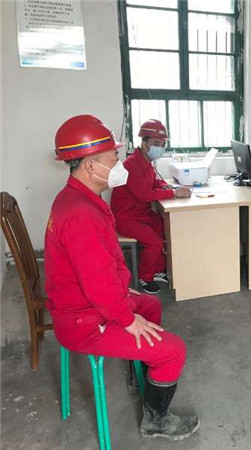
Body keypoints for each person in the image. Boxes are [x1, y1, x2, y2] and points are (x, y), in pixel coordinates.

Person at [45, 115, 199, 439]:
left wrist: (124, 292)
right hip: (83, 321)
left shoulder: (81, 198)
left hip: (87, 305)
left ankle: (139, 364)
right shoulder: (81, 214)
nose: (119, 165)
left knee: (151, 306)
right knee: (174, 350)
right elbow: (98, 283)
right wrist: (126, 318)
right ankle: (156, 421)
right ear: (91, 166)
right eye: (113, 158)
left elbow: (103, 266)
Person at [111, 119, 191, 294]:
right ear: (144, 143)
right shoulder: (132, 165)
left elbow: (152, 183)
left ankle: (157, 270)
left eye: (162, 144)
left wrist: (164, 186)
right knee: (154, 242)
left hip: (142, 213)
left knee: (166, 228)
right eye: (156, 143)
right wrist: (174, 193)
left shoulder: (145, 162)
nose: (159, 147)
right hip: (127, 218)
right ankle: (145, 277)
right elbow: (144, 195)